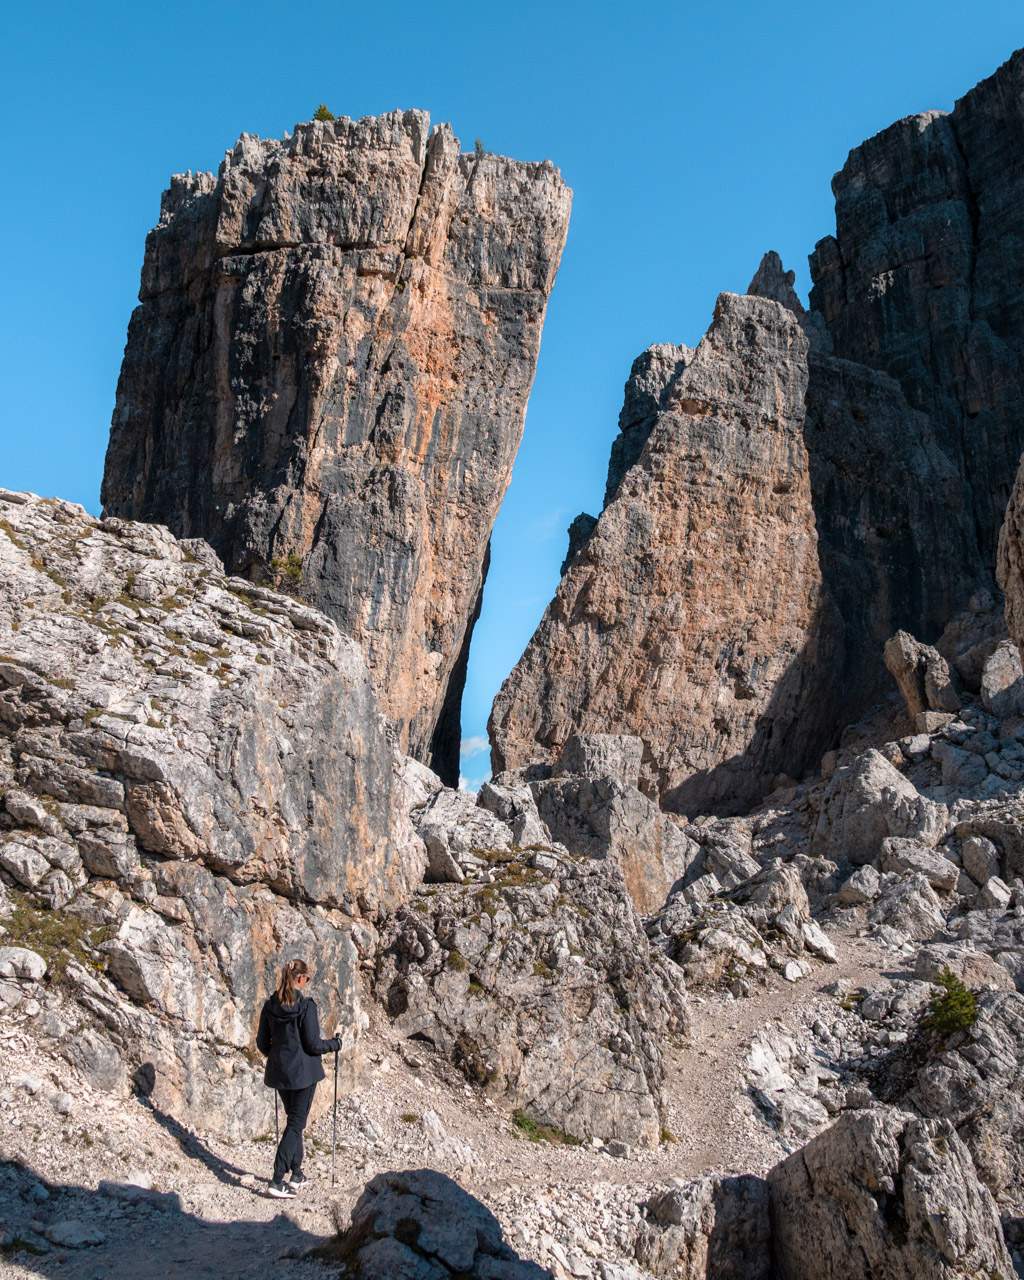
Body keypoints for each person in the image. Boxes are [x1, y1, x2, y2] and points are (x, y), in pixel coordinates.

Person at [256, 957, 343, 1198]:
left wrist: (278, 1058)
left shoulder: (269, 1006)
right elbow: (313, 1045)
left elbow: (262, 1043)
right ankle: (277, 1179)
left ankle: (296, 1174)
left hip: (280, 1074)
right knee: (296, 1123)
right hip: (303, 1074)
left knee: (295, 1121)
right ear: (301, 979)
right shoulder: (306, 1006)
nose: (307, 982)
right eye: (307, 978)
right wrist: (335, 1044)